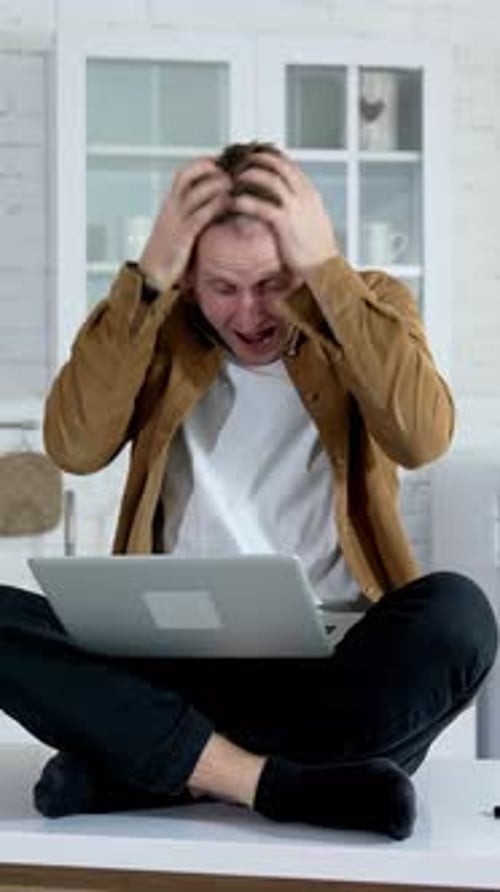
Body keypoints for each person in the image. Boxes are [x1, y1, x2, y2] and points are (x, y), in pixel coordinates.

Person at [0, 142, 497, 841]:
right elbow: (74, 447)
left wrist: (328, 276)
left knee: (460, 616)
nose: (250, 314)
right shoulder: (156, 326)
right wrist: (148, 278)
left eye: (272, 283)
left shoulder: (368, 304)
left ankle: (147, 766)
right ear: (188, 277)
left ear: (304, 257)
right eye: (222, 288)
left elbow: (423, 438)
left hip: (330, 668)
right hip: (174, 666)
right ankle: (274, 782)